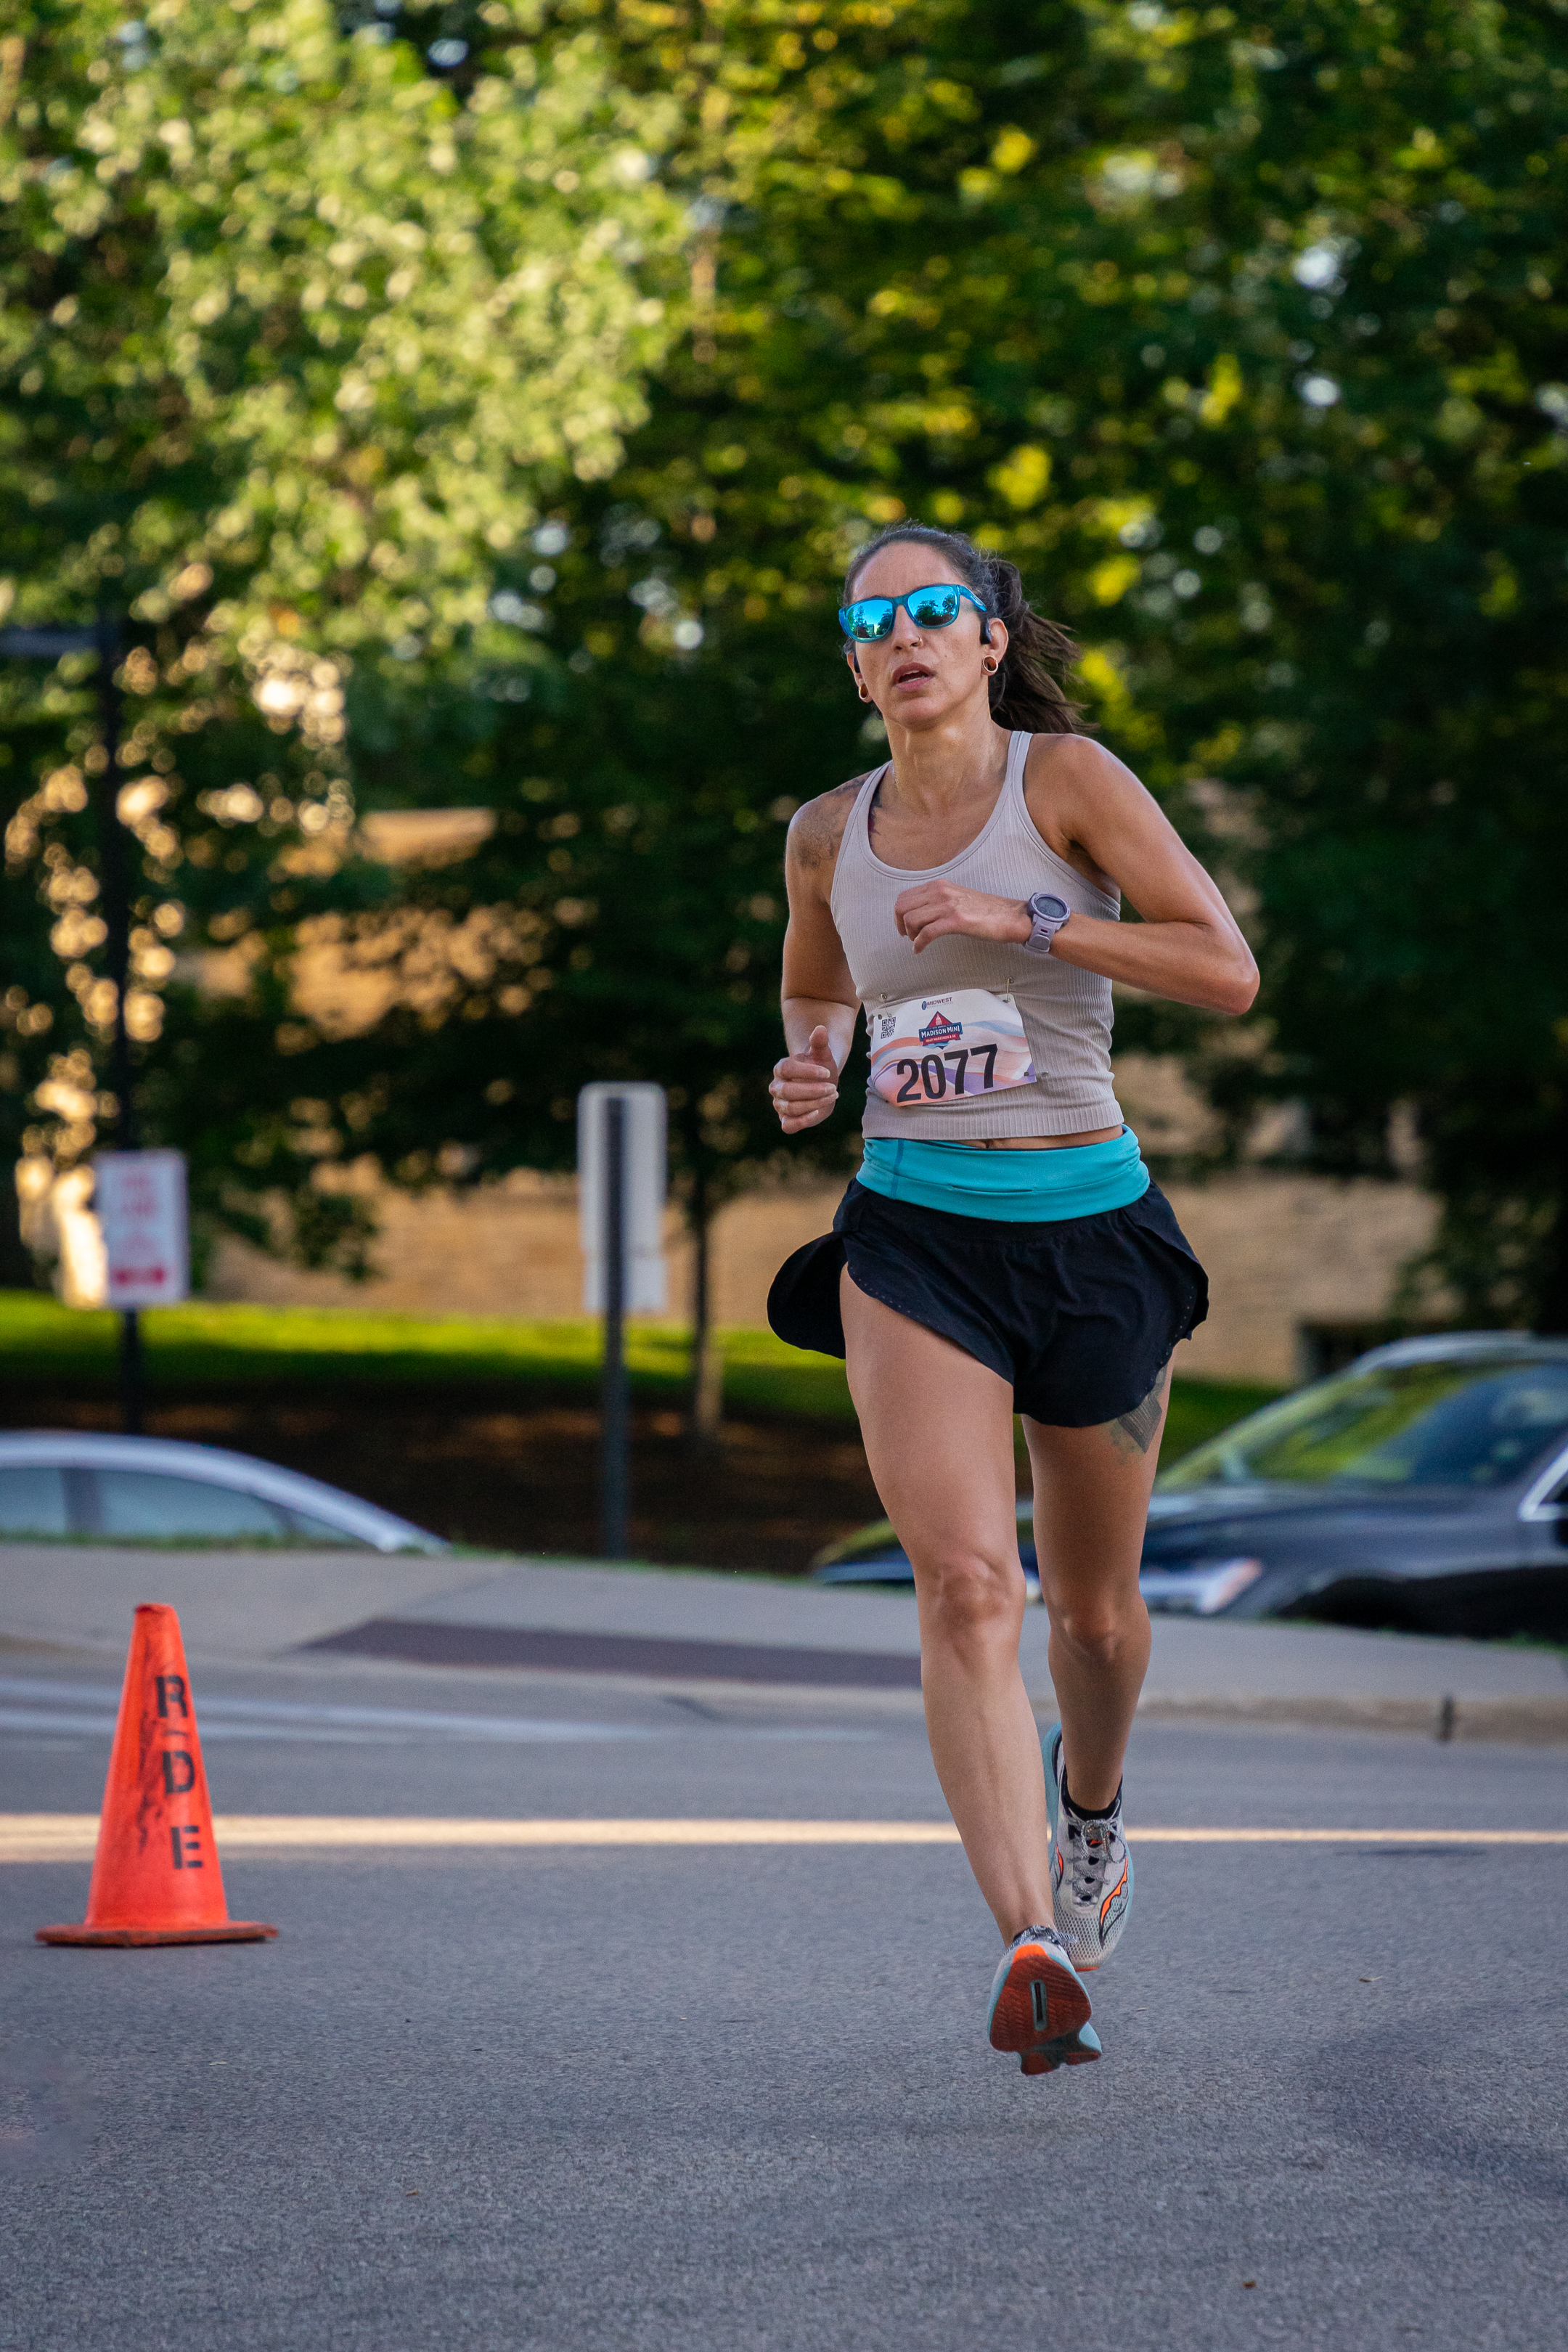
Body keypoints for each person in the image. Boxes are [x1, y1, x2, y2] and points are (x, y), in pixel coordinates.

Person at [767, 523, 1258, 2076]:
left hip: (1092, 1230)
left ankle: (1094, 1817)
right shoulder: (821, 833)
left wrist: (1021, 918)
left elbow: (1222, 968)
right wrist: (813, 1059)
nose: (904, 634)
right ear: (856, 663)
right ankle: (1032, 1938)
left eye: (935, 610)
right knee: (971, 1585)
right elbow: (818, 981)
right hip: (914, 1236)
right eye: (873, 618)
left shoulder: (1068, 781)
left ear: (989, 639)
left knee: (1097, 1621)